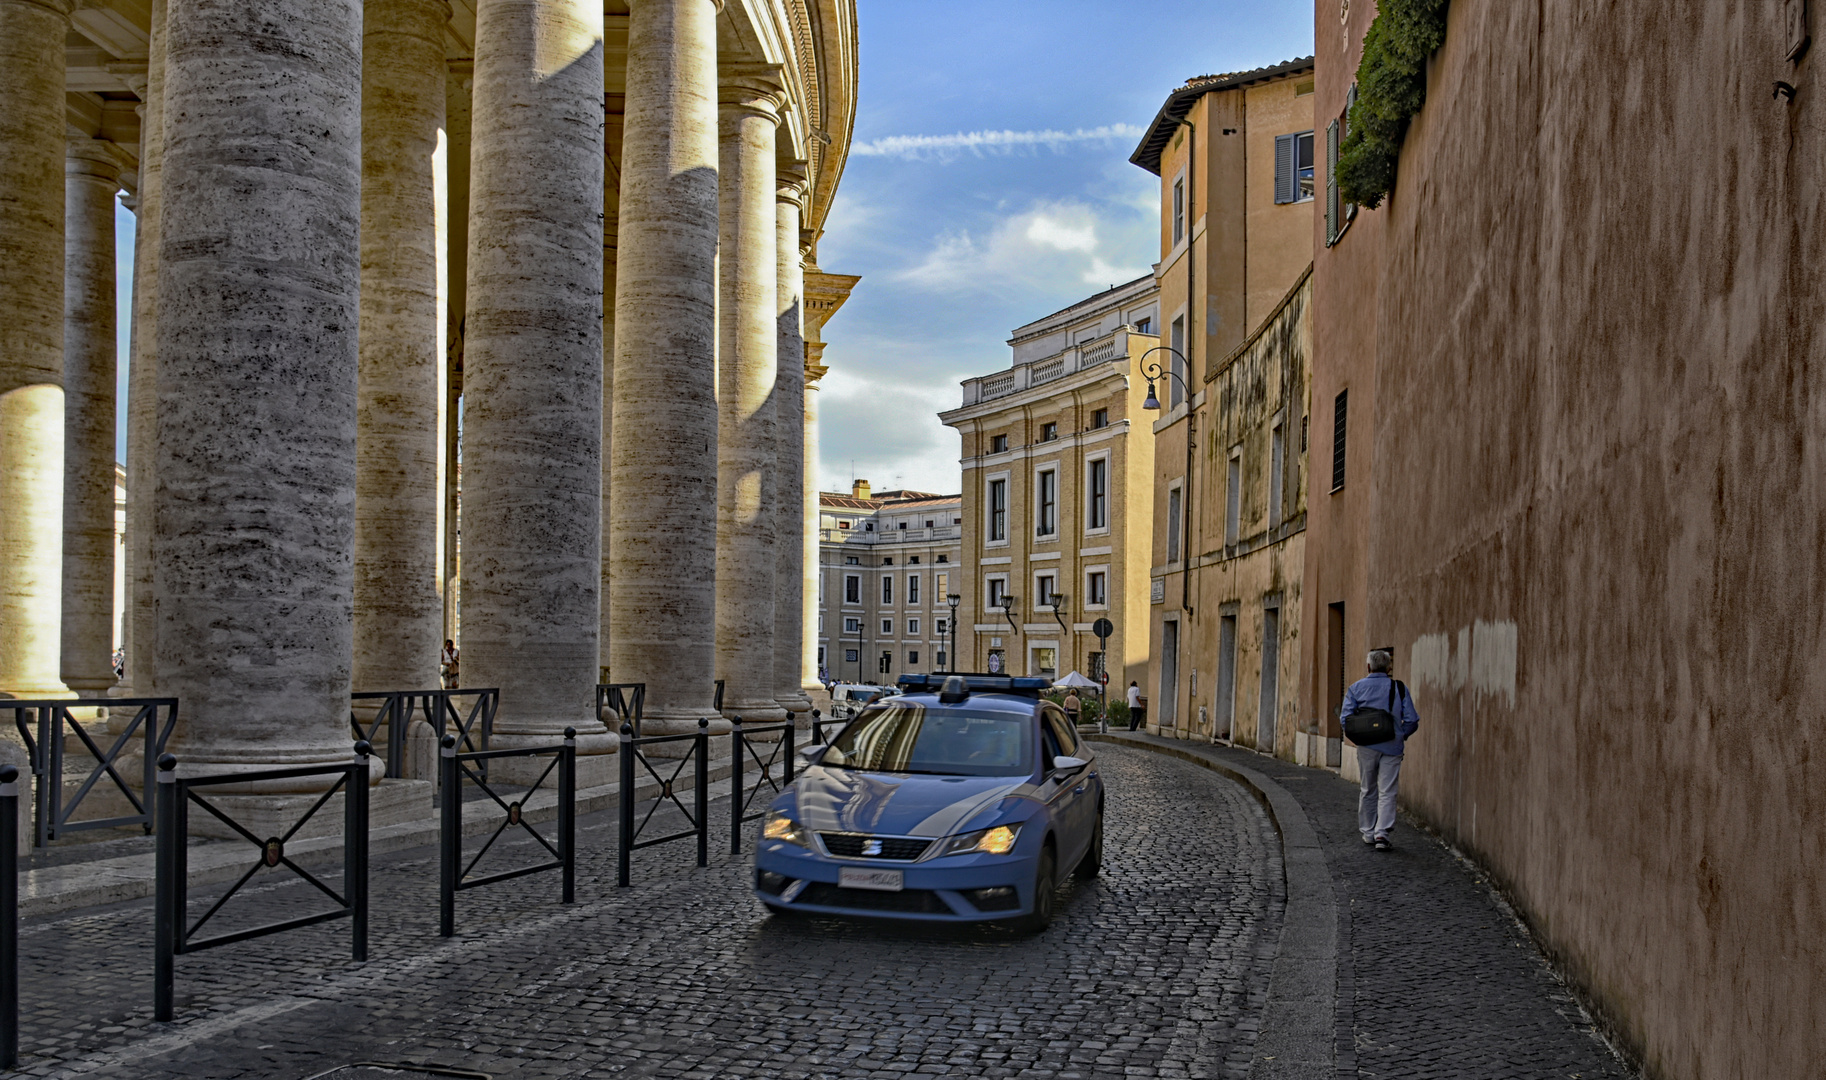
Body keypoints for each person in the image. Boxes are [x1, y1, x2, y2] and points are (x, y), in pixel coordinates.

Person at [1340, 649, 1420, 851]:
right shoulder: (1399, 688)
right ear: (1389, 668)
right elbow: (1412, 719)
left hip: (1366, 747)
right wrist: (1401, 735)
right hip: (1392, 746)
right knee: (1388, 790)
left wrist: (1360, 738)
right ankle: (1381, 834)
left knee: (1368, 788)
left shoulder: (1355, 688)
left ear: (1368, 667)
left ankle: (1368, 831)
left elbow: (1345, 720)